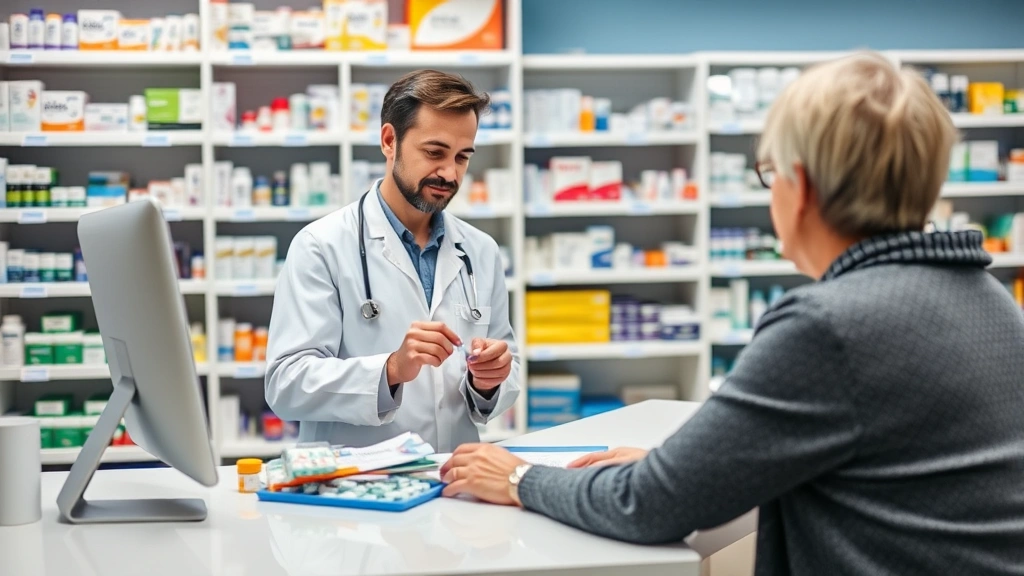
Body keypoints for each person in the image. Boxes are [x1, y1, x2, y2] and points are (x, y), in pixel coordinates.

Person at [440, 52, 1024, 575]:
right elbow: (883, 469)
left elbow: (649, 507)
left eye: (770, 176)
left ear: (801, 188)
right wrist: (697, 465)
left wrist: (517, 478)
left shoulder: (830, 326)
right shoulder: (989, 299)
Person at [265, 70, 520, 451]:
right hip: (355, 487)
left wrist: (490, 379)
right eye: (434, 153)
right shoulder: (321, 246)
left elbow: (505, 370)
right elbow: (285, 384)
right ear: (389, 141)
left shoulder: (479, 250)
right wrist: (391, 370)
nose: (450, 173)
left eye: (462, 157)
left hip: (451, 477)